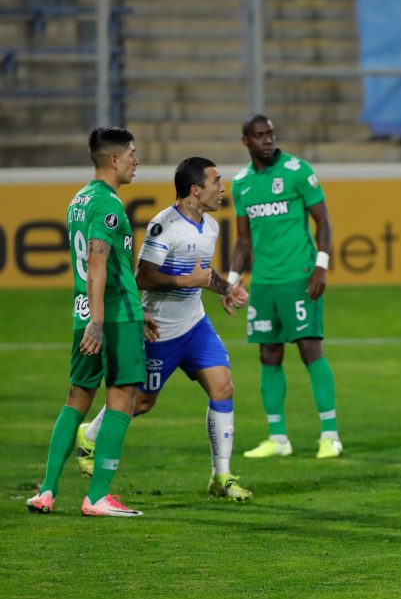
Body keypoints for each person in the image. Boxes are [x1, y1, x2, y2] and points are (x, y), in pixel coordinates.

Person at [77, 157, 252, 500]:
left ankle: (222, 476)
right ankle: (90, 435)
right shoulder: (165, 226)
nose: (222, 188)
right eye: (216, 182)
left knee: (223, 387)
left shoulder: (210, 226)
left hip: (195, 325)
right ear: (195, 190)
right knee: (140, 402)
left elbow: (203, 273)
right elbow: (143, 275)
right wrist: (189, 280)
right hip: (160, 331)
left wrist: (225, 290)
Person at [27, 127, 154, 517]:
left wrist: (96, 317)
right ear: (114, 160)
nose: (137, 160)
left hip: (84, 313)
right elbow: (97, 263)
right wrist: (103, 321)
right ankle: (97, 496)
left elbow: (104, 266)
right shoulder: (110, 207)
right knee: (123, 399)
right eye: (132, 153)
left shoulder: (78, 201)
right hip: (111, 318)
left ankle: (46, 490)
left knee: (76, 399)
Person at [226, 114, 342, 459]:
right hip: (264, 281)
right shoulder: (241, 183)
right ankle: (278, 438)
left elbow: (323, 221)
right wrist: (232, 281)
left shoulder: (297, 171)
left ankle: (330, 435)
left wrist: (321, 267)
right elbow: (243, 240)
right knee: (268, 353)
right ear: (246, 141)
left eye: (270, 134)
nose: (267, 140)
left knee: (309, 349)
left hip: (299, 275)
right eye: (259, 136)